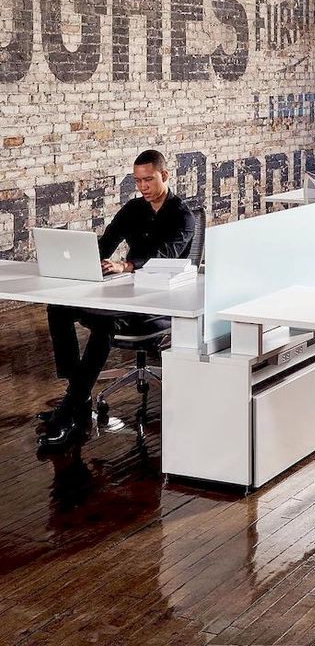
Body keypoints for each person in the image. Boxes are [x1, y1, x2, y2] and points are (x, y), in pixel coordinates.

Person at [37, 150, 196, 451]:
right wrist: (82, 260)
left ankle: (69, 411)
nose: (143, 187)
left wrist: (128, 265)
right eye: (137, 181)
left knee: (106, 325)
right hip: (126, 293)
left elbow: (167, 253)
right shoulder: (133, 209)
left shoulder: (183, 216)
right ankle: (78, 393)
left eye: (148, 179)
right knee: (58, 308)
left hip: (161, 302)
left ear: (165, 175)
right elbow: (106, 242)